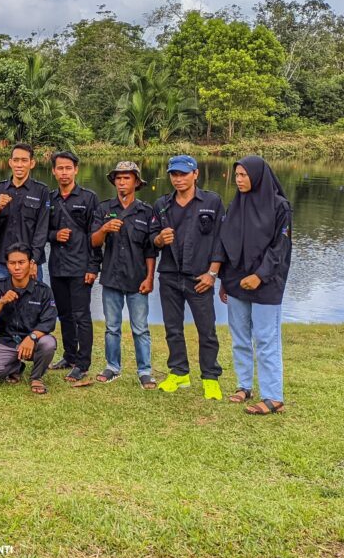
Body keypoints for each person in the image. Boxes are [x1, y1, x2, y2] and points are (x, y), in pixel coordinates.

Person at [214, 156, 293, 415]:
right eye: (236, 175)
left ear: (258, 176)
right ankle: (243, 386)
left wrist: (259, 275)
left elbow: (280, 247)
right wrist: (225, 279)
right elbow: (226, 242)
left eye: (244, 175)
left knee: (266, 338)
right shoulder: (236, 205)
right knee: (239, 337)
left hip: (266, 283)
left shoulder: (280, 207)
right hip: (236, 281)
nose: (239, 180)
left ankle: (273, 396)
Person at [151, 154, 225, 399]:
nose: (178, 179)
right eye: (174, 174)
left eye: (183, 174)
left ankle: (210, 377)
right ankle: (179, 373)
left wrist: (212, 274)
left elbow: (220, 241)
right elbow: (152, 239)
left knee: (207, 330)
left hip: (200, 278)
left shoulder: (212, 202)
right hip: (170, 276)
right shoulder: (162, 204)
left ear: (196, 174)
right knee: (173, 328)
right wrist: (160, 239)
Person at [91, 162, 158, 389]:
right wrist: (104, 229)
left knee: (140, 328)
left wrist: (149, 278)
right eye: (118, 178)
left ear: (136, 182)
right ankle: (112, 367)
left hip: (137, 279)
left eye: (127, 178)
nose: (122, 182)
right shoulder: (104, 209)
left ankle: (145, 371)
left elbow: (151, 250)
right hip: (111, 277)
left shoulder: (146, 212)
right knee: (112, 327)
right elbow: (93, 242)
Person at [47, 150, 101, 383]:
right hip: (57, 267)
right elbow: (41, 233)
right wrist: (55, 234)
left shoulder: (88, 198)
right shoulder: (50, 199)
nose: (64, 172)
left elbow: (95, 237)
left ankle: (82, 363)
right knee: (64, 315)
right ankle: (69, 356)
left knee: (82, 316)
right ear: (53, 171)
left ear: (76, 170)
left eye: (68, 168)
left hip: (81, 267)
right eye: (60, 168)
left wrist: (93, 267)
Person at [0, 243, 58, 395]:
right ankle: (17, 367)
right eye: (12, 263)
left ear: (30, 264)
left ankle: (36, 377)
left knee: (48, 343)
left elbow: (49, 321)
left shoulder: (43, 290)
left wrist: (32, 337)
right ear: (7, 265)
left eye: (21, 263)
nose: (17, 267)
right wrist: (2, 301)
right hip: (8, 341)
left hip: (33, 341)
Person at [0, 142, 49, 282]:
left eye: (24, 160)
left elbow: (42, 230)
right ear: (10, 162)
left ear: (32, 163)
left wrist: (33, 260)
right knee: (3, 302)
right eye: (16, 160)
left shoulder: (41, 191)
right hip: (5, 262)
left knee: (33, 302)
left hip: (31, 263)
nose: (19, 165)